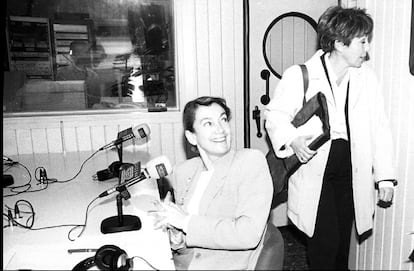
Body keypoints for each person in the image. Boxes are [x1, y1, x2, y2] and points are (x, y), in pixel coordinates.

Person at [264, 6, 397, 270]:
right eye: (361, 41)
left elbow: (379, 129)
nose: (366, 48)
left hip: (351, 168)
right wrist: (293, 140)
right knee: (324, 242)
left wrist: (385, 176)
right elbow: (274, 116)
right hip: (316, 167)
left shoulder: (366, 79)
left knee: (340, 246)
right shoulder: (300, 74)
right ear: (339, 42)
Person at [149, 96, 281, 270]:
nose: (220, 129)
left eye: (223, 119)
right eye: (208, 123)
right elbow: (192, 242)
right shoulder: (184, 171)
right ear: (191, 137)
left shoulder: (249, 162)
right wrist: (177, 239)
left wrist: (185, 222)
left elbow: (248, 234)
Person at [56, 41, 101, 108]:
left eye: (87, 53)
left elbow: (96, 99)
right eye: (84, 53)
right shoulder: (63, 74)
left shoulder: (93, 76)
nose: (87, 56)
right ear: (73, 55)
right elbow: (60, 99)